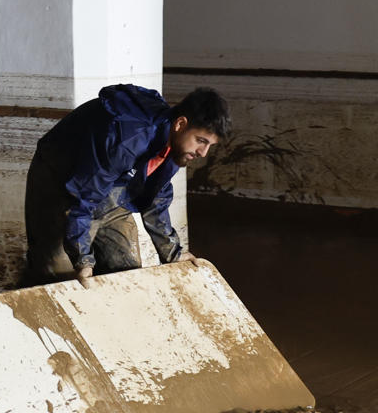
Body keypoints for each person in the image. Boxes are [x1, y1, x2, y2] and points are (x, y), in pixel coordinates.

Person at [25, 85, 231, 286]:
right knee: (58, 276)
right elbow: (82, 198)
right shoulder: (128, 139)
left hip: (112, 187)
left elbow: (156, 196)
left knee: (126, 273)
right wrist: (83, 260)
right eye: (201, 141)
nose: (203, 153)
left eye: (209, 146)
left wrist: (173, 253)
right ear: (180, 124)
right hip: (61, 181)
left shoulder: (173, 146)